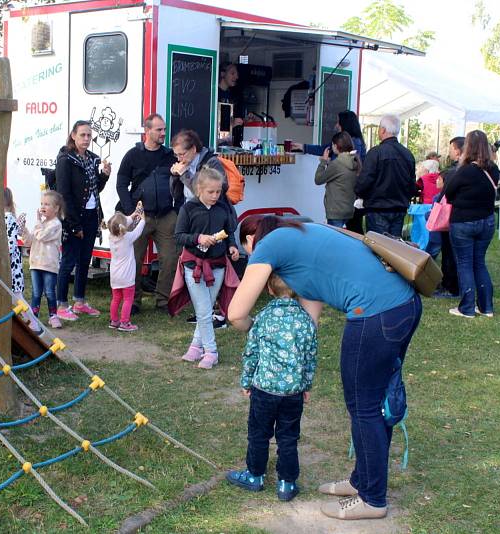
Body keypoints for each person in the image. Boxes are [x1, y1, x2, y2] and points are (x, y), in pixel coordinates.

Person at [228, 215, 422, 520]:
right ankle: (363, 481)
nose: (254, 260)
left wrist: (260, 330)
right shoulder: (302, 235)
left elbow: (236, 313)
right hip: (403, 306)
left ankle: (372, 499)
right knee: (372, 403)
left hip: (375, 314)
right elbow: (310, 322)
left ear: (253, 241)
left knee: (365, 408)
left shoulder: (269, 245)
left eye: (250, 253)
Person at [226, 274, 317, 502]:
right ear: (296, 291)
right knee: (288, 437)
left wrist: (247, 381)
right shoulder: (305, 320)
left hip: (264, 390)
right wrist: (306, 384)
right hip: (292, 392)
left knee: (258, 434)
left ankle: (254, 476)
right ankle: (287, 483)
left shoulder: (263, 318)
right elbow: (310, 356)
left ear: (269, 289)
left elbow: (251, 353)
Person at [172, 168, 240, 369]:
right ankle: (211, 351)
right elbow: (179, 236)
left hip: (218, 265)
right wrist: (198, 238)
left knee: (205, 309)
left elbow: (229, 231)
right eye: (211, 192)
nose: (215, 196)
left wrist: (232, 246)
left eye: (218, 191)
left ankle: (195, 346)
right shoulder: (189, 209)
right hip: (193, 265)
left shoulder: (222, 208)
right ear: (199, 189)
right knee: (203, 310)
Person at [115, 113, 178, 312]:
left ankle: (163, 301)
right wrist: (130, 211)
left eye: (164, 129)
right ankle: (133, 302)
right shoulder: (133, 155)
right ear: (147, 130)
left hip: (166, 215)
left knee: (169, 259)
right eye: (159, 130)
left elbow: (181, 180)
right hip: (139, 216)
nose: (163, 133)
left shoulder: (170, 155)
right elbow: (121, 183)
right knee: (134, 259)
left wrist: (177, 209)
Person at [55, 120, 110, 321]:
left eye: (89, 135)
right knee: (68, 261)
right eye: (82, 135)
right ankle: (61, 305)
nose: (86, 139)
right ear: (73, 136)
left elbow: (96, 189)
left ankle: (79, 301)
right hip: (73, 217)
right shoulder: (65, 159)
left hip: (91, 215)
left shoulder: (91, 158)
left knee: (85, 260)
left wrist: (104, 176)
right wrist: (73, 223)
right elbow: (64, 194)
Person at [443, 130, 499, 318]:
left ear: (468, 147)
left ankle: (466, 307)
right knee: (479, 263)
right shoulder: (494, 170)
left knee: (465, 264)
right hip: (487, 221)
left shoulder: (465, 171)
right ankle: (486, 307)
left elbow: (448, 193)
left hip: (464, 222)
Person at [290, 110, 368, 233]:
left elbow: (319, 179)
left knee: (337, 236)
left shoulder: (339, 162)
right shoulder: (354, 147)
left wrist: (324, 162)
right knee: (354, 234)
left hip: (338, 205)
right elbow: (324, 148)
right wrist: (303, 147)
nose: (336, 125)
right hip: (349, 203)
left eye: (338, 122)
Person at [355, 114, 416, 236]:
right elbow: (411, 184)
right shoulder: (408, 154)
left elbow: (365, 180)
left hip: (378, 208)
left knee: (378, 248)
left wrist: (359, 193)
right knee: (393, 250)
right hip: (399, 208)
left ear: (383, 130)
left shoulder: (376, 152)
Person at [23, 190, 64, 329]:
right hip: (35, 264)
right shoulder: (40, 224)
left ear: (56, 208)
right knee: (36, 292)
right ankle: (34, 317)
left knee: (50, 291)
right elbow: (30, 241)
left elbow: (42, 236)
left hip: (49, 265)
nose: (43, 207)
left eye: (47, 204)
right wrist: (23, 231)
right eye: (42, 204)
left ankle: (53, 316)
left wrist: (37, 223)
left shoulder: (56, 224)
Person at [435, 136, 465, 298]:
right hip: (463, 216)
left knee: (449, 251)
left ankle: (450, 285)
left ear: (458, 150)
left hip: (452, 216)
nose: (449, 152)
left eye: (452, 148)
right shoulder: (470, 168)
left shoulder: (455, 171)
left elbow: (446, 194)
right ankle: (453, 283)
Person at [170, 129, 230, 211]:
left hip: (208, 213)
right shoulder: (185, 163)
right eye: (176, 155)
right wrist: (175, 176)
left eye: (181, 154)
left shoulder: (211, 163)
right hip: (188, 212)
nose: (179, 159)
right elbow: (175, 195)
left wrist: (184, 174)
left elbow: (203, 194)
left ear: (194, 149)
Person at [107, 206, 146, 332]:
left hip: (115, 275)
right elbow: (138, 231)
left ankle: (114, 321)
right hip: (127, 275)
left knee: (116, 298)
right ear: (123, 227)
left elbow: (122, 223)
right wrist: (143, 220)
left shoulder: (111, 236)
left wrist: (133, 214)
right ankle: (125, 322)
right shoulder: (127, 237)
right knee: (128, 299)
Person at [314, 131, 361, 227]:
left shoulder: (337, 163)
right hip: (348, 210)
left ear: (336, 146)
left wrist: (323, 162)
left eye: (332, 145)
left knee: (334, 239)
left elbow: (318, 179)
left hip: (335, 211)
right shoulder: (354, 160)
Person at [217, 62, 245, 146]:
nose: (236, 77)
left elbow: (234, 118)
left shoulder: (233, 95)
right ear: (222, 74)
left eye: (237, 74)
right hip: (216, 142)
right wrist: (231, 124)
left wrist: (245, 120)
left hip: (229, 142)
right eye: (232, 73)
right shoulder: (214, 94)